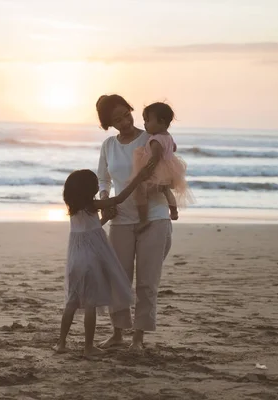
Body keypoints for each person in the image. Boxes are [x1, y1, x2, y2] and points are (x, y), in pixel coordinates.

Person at [96, 94, 173, 351]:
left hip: (154, 217)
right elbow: (103, 180)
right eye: (117, 119)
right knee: (118, 278)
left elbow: (168, 168)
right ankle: (118, 332)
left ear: (131, 111)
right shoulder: (108, 145)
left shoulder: (150, 137)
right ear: (109, 123)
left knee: (147, 281)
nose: (125, 122)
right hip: (120, 219)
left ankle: (138, 338)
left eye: (126, 114)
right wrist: (105, 199)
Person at [55, 167, 151, 358]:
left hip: (75, 260)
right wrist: (137, 179)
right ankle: (88, 346)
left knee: (71, 303)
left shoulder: (73, 207)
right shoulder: (92, 205)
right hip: (90, 261)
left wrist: (105, 217)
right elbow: (119, 199)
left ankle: (61, 343)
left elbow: (91, 228)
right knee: (90, 304)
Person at [130, 102, 193, 231]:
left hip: (157, 171)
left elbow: (155, 157)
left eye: (147, 120)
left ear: (161, 121)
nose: (145, 124)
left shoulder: (156, 139)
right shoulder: (168, 137)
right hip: (169, 170)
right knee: (166, 190)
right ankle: (174, 211)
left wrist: (147, 171)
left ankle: (143, 220)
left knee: (140, 191)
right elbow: (173, 148)